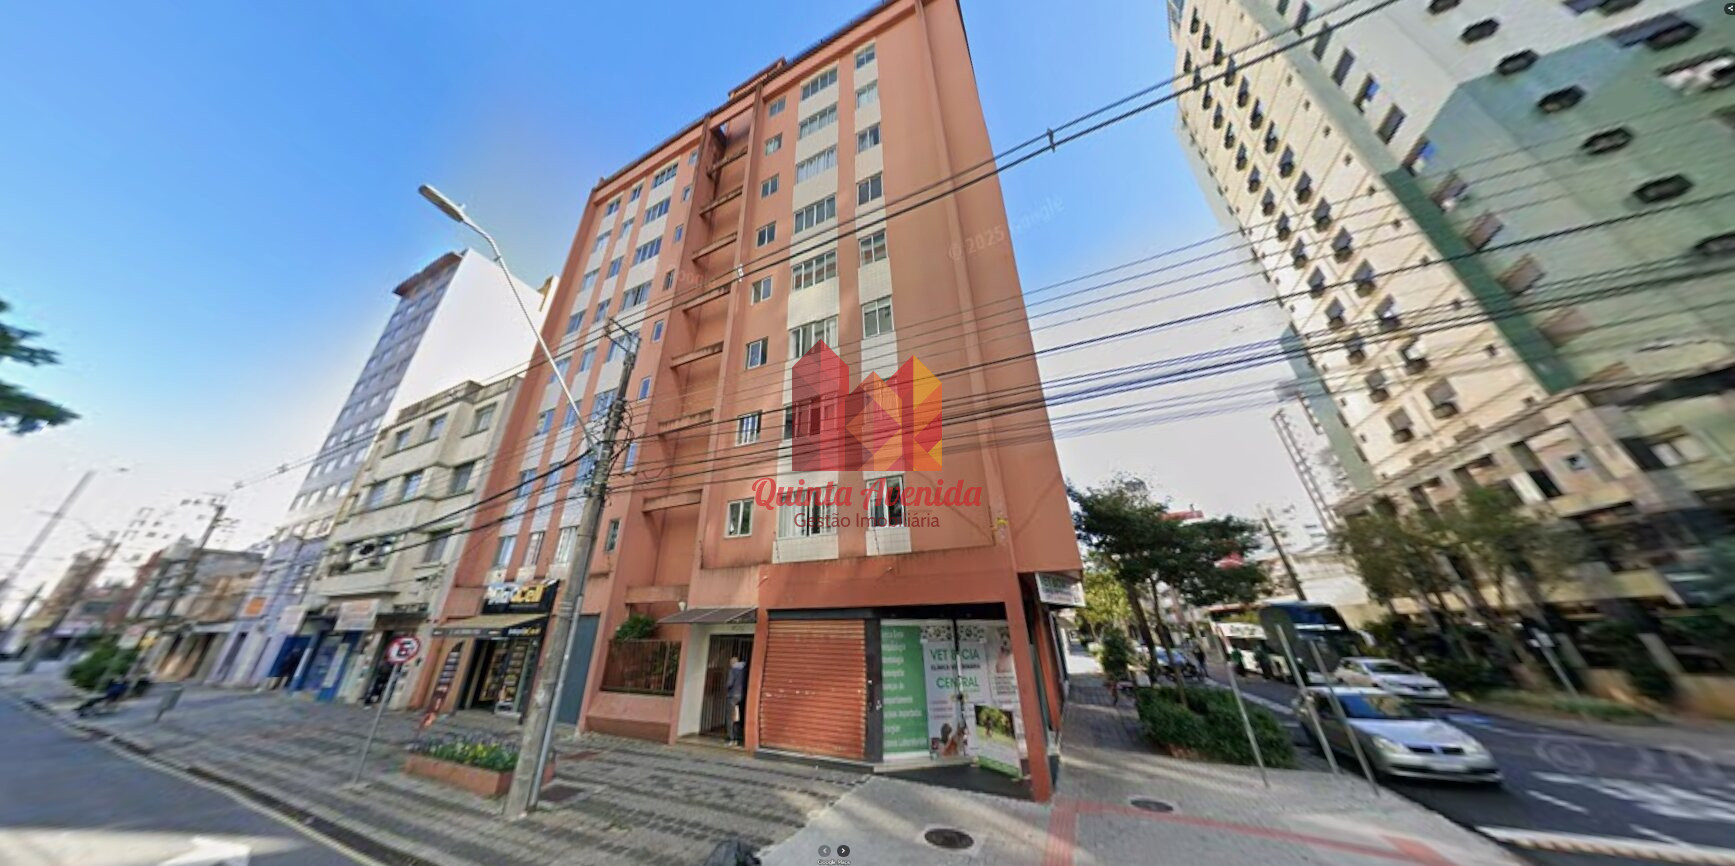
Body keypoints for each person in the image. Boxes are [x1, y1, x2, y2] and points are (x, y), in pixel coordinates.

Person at [724, 654, 747, 746]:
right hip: (740, 696)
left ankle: (731, 739)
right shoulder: (744, 670)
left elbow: (729, 683)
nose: (730, 664)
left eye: (730, 662)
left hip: (732, 696)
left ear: (733, 663)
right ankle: (737, 738)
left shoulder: (732, 670)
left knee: (730, 718)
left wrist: (726, 687)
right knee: (737, 717)